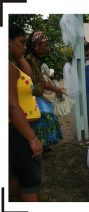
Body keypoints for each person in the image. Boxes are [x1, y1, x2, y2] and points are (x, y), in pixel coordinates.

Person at [9, 26, 43, 201]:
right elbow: (12, 106)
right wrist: (33, 139)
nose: (25, 46)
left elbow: (28, 78)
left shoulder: (12, 64)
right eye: (21, 42)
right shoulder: (6, 67)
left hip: (20, 129)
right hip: (20, 130)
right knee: (30, 181)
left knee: (18, 175)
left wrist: (20, 55)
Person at [26, 31, 63, 152]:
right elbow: (39, 81)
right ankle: (40, 146)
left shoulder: (34, 59)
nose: (47, 48)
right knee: (44, 120)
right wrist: (56, 89)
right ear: (37, 45)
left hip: (35, 96)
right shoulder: (30, 60)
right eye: (45, 45)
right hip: (33, 98)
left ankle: (42, 146)